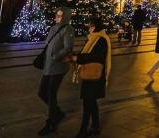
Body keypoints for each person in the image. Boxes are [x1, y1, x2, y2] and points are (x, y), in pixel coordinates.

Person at [69, 17, 111, 138]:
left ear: (97, 26)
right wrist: (77, 57)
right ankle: (96, 127)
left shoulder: (101, 40)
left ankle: (83, 129)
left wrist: (77, 58)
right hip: (89, 76)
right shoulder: (92, 38)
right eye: (89, 25)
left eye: (92, 26)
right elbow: (85, 54)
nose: (89, 27)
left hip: (95, 77)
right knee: (91, 103)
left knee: (88, 103)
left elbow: (94, 57)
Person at [37, 7, 74, 136]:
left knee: (51, 94)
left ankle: (51, 122)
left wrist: (55, 56)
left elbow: (68, 47)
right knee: (42, 92)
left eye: (60, 16)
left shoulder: (68, 29)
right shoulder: (53, 28)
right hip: (48, 66)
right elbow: (48, 43)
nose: (57, 17)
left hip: (58, 67)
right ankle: (57, 113)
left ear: (65, 17)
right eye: (56, 15)